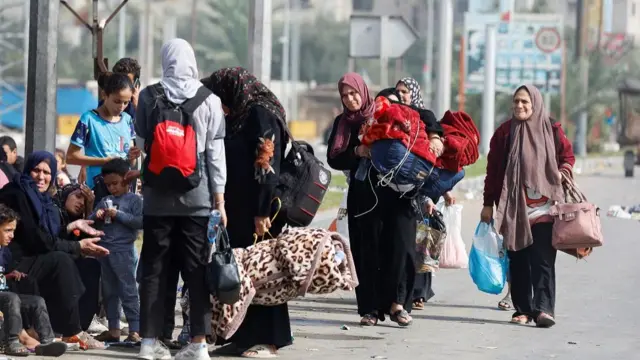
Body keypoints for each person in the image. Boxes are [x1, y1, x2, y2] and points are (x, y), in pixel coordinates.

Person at [135, 38, 226, 360]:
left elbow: (143, 143)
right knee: (196, 270)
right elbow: (215, 153)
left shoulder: (148, 96)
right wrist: (220, 199)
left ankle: (148, 341)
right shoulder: (210, 100)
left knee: (154, 270)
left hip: (157, 196)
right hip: (197, 196)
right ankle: (199, 343)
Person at [202, 66, 290, 358]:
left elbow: (267, 164)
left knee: (266, 272)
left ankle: (269, 339)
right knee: (242, 274)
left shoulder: (260, 114)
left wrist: (261, 210)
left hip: (260, 210)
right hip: (239, 209)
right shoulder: (239, 116)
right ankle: (243, 336)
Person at [481, 84, 575, 328]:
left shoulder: (551, 129)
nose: (520, 106)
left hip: (545, 207)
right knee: (519, 259)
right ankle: (522, 309)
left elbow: (567, 157)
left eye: (525, 102)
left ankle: (544, 309)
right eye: (516, 101)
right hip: (514, 208)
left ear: (535, 103)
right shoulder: (504, 133)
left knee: (543, 260)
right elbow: (492, 172)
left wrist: (563, 171)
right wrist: (488, 204)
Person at [327, 73, 417, 328]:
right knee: (367, 253)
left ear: (363, 92)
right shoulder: (342, 123)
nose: (350, 99)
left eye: (354, 93)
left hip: (397, 193)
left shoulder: (382, 111)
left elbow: (422, 120)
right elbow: (334, 158)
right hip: (364, 196)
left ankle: (398, 304)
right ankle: (370, 309)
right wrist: (357, 151)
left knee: (400, 249)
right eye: (345, 96)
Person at [0, 151, 110, 349]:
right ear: (28, 170)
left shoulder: (44, 201)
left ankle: (75, 327)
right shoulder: (18, 193)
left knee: (89, 266)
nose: (41, 177)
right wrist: (76, 246)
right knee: (61, 261)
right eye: (36, 170)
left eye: (47, 172)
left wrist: (72, 229)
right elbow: (37, 239)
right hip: (12, 263)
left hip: (33, 258)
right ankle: (72, 332)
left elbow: (48, 236)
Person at [0, 204, 68, 357]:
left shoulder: (4, 251)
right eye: (7, 230)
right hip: (5, 298)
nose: (11, 235)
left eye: (13, 231)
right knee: (12, 298)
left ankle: (47, 342)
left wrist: (10, 274)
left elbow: (3, 272)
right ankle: (12, 341)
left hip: (3, 295)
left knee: (37, 301)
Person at [88, 158, 142, 343]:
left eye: (116, 184)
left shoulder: (134, 200)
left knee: (128, 289)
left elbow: (140, 222)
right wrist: (98, 214)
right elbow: (91, 219)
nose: (112, 188)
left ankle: (135, 328)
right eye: (108, 185)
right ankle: (114, 328)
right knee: (109, 291)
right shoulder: (105, 200)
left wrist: (118, 215)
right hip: (106, 250)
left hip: (124, 250)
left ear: (127, 181)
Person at [66, 72, 141, 193]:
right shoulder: (89, 119)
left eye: (126, 102)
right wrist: (104, 161)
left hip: (125, 189)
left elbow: (131, 162)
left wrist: (133, 156)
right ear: (105, 95)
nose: (121, 107)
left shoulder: (127, 120)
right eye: (117, 101)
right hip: (99, 188)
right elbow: (71, 157)